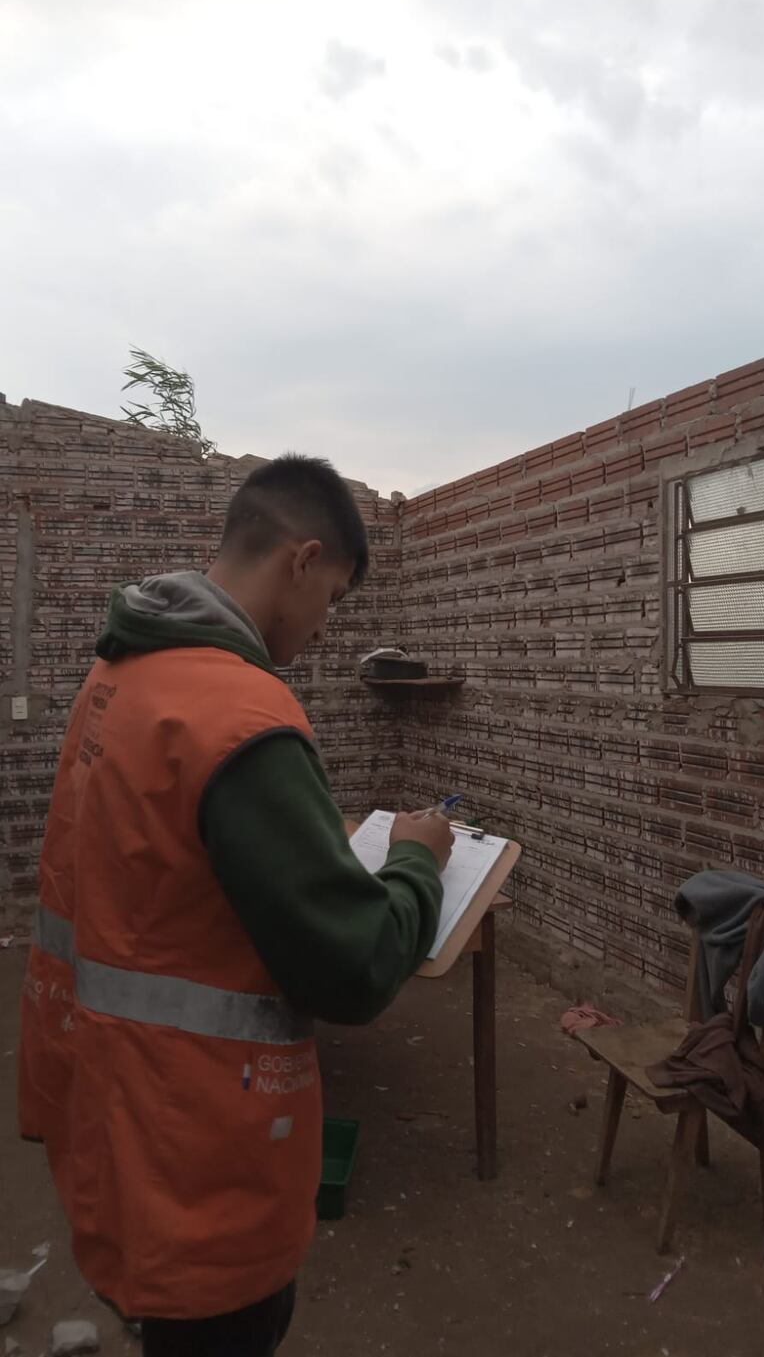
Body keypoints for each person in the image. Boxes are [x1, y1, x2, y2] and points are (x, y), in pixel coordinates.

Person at [18, 456, 453, 1357]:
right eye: (332, 597)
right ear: (300, 560)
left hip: (114, 1125)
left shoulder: (119, 676)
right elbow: (357, 964)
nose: (327, 627)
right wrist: (414, 862)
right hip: (204, 1169)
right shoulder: (243, 715)